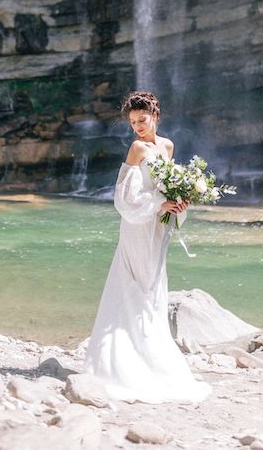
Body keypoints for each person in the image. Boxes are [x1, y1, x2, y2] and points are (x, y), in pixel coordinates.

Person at [83, 90, 211, 403]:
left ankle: (151, 349)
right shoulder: (137, 148)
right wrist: (159, 202)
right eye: (133, 122)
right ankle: (125, 356)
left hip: (158, 227)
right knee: (135, 283)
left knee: (154, 285)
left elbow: (169, 185)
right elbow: (124, 198)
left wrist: (180, 203)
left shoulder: (167, 145)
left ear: (155, 116)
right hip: (137, 227)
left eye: (142, 120)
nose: (138, 127)